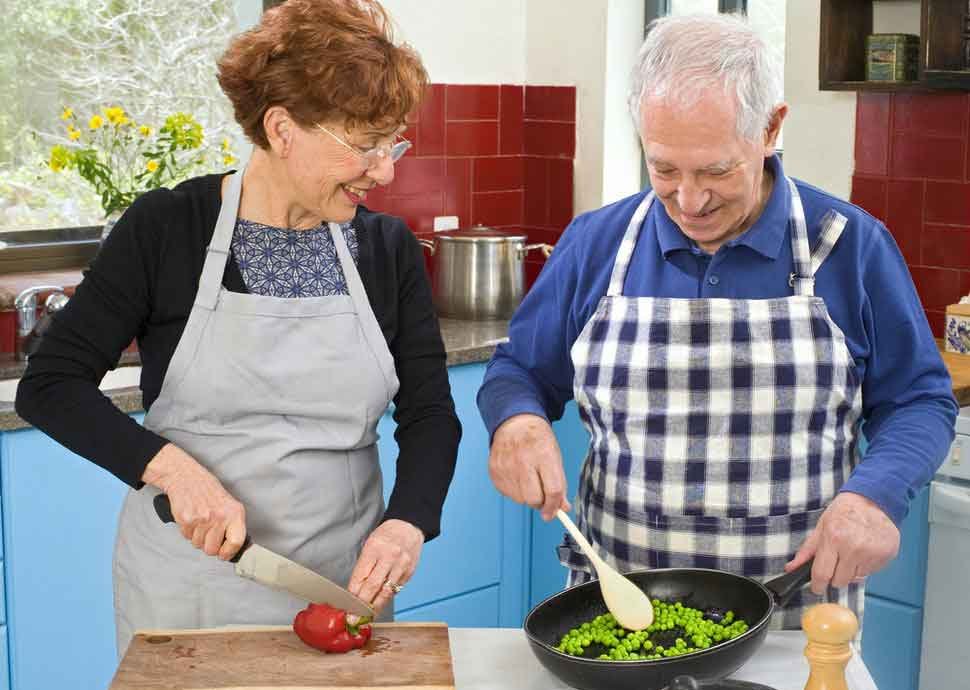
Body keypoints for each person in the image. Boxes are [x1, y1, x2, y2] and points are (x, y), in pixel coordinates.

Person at [477, 12, 957, 629]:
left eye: (716, 171)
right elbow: (517, 367)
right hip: (620, 618)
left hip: (797, 617)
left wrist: (875, 498)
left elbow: (919, 399)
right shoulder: (596, 244)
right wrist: (515, 423)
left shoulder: (850, 247)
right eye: (664, 169)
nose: (690, 201)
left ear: (771, 128)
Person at [15, 0, 460, 653]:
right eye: (365, 147)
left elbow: (430, 414)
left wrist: (409, 521)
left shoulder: (386, 249)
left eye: (391, 144)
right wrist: (169, 470)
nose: (385, 171)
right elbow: (50, 385)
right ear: (282, 129)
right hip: (189, 592)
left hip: (342, 591)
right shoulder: (167, 228)